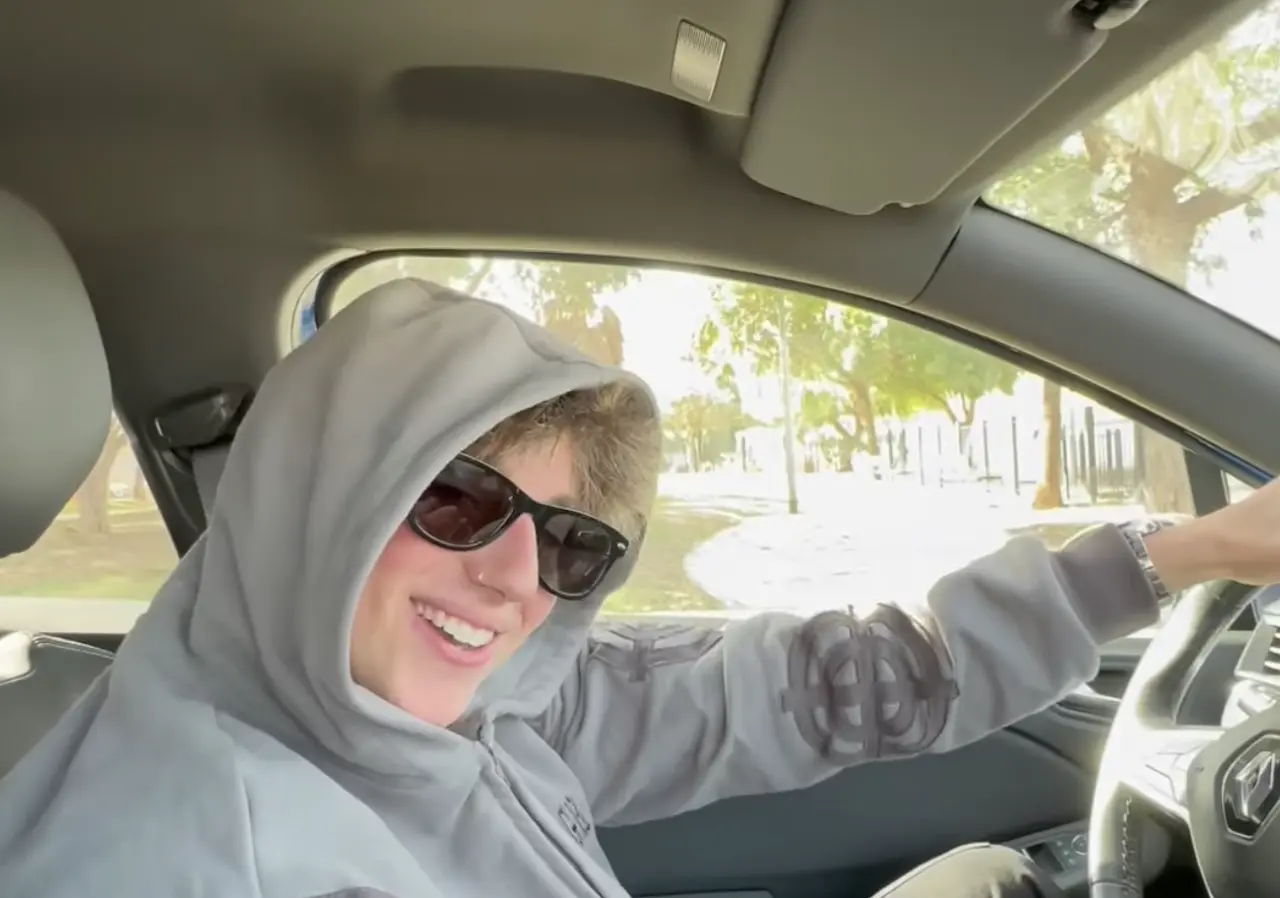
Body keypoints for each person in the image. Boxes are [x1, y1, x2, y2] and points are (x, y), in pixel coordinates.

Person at [1, 279, 1278, 898]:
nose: (514, 579)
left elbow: (813, 689)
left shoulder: (490, 714)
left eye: (570, 543)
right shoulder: (181, 857)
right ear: (311, 490)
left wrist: (1192, 552)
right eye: (457, 498)